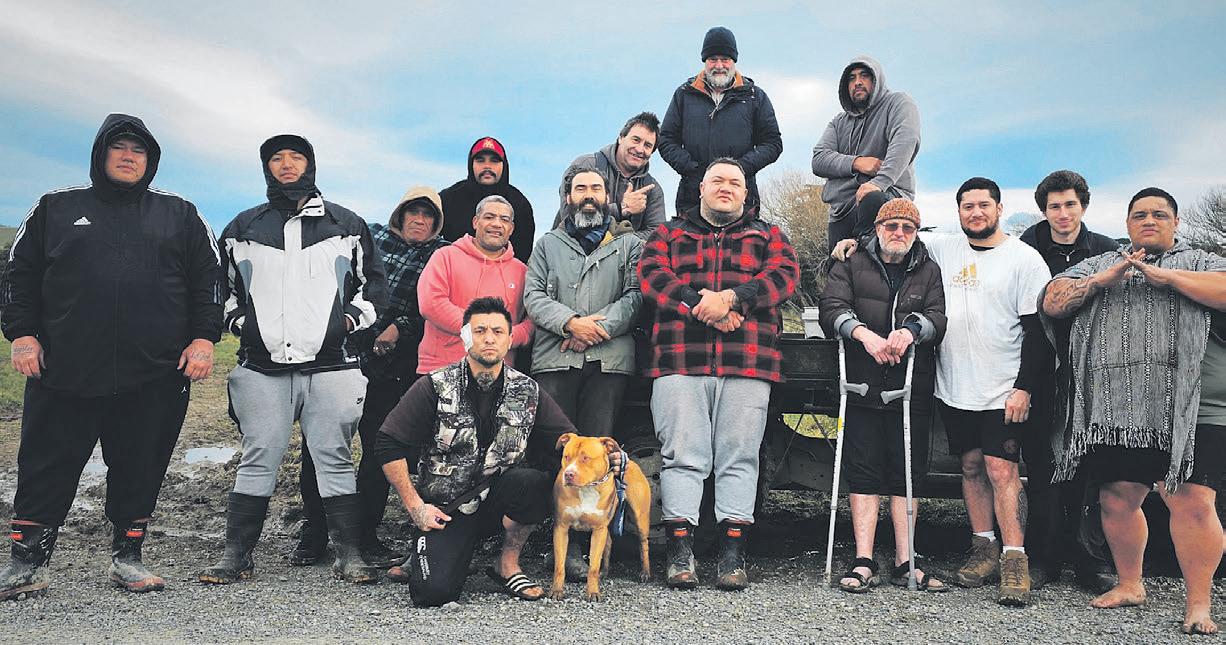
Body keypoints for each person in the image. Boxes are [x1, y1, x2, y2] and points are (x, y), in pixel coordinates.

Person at [0, 113, 222, 598]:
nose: (128, 156)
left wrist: (204, 339)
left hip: (155, 370)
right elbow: (19, 275)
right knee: (46, 462)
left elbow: (209, 281)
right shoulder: (55, 207)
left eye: (138, 150)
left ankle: (128, 558)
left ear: (151, 160)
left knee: (141, 463)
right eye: (118, 147)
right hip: (65, 366)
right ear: (100, 154)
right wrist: (22, 335)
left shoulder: (180, 213)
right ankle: (27, 564)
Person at [833, 177, 1050, 605]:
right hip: (956, 385)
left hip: (1003, 386)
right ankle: (983, 549)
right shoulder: (943, 248)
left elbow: (1038, 332)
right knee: (970, 468)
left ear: (999, 208)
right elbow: (892, 236)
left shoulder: (1024, 259)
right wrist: (851, 243)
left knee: (1002, 470)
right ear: (958, 211)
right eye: (968, 206)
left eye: (984, 205)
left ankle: (1014, 559)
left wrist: (1024, 387)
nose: (976, 213)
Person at [199, 134, 388, 585]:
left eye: (296, 157)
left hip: (333, 364)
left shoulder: (347, 225)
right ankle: (236, 555)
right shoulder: (242, 227)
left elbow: (374, 289)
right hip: (261, 367)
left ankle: (349, 555)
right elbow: (221, 292)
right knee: (258, 456)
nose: (287, 164)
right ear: (266, 167)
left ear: (311, 164)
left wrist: (346, 322)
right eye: (276, 158)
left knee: (335, 457)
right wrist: (242, 325)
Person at [1041, 187, 1226, 636]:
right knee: (1118, 498)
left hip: (1193, 406)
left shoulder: (1201, 261)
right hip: (1121, 405)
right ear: (1127, 224)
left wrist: (1170, 279)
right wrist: (1100, 282)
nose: (1149, 220)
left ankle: (1199, 604)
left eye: (1160, 214)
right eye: (1140, 214)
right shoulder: (1102, 263)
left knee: (1191, 501)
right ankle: (1129, 584)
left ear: (1176, 223)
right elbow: (1053, 300)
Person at [638, 157, 798, 591]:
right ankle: (680, 554)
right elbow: (651, 277)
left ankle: (733, 555)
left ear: (746, 193)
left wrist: (732, 299)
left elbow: (784, 277)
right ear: (701, 189)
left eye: (735, 182)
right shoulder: (669, 233)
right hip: (679, 361)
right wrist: (700, 305)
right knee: (682, 456)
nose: (726, 187)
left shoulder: (768, 234)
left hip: (747, 363)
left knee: (740, 457)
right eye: (717, 181)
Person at [374, 297, 583, 606]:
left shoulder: (528, 390)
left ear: (510, 340)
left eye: (498, 332)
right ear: (465, 337)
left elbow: (569, 442)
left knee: (537, 479)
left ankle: (507, 564)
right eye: (480, 330)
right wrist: (416, 507)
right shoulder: (435, 385)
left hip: (499, 500)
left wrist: (609, 456)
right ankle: (433, 551)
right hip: (446, 509)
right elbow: (387, 442)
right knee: (432, 594)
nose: (489, 338)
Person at [294, 187, 450, 569]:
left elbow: (430, 306)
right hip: (344, 353)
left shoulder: (440, 255)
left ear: (436, 223)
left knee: (381, 448)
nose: (419, 220)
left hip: (395, 368)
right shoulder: (371, 237)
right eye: (413, 212)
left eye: (428, 215)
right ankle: (315, 531)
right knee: (322, 444)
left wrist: (401, 327)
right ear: (400, 214)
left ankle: (365, 534)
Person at [818, 198, 948, 593]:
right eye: (892, 226)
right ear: (878, 228)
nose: (899, 233)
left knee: (906, 471)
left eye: (908, 228)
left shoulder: (927, 268)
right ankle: (864, 560)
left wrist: (910, 331)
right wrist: (865, 335)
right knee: (864, 470)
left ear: (916, 233)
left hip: (910, 384)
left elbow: (938, 317)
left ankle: (906, 561)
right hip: (861, 381)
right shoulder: (851, 262)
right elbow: (831, 308)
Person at [525, 167, 643, 580]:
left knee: (597, 453)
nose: (588, 195)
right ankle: (553, 539)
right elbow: (533, 295)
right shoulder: (547, 244)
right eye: (580, 189)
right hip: (556, 359)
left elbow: (635, 296)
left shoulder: (629, 244)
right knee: (553, 451)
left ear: (607, 196)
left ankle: (593, 543)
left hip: (608, 362)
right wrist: (570, 323)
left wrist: (594, 330)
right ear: (568, 197)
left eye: (596, 188)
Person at [1017, 170, 1119, 592]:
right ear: (1044, 211)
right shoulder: (1026, 249)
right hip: (1040, 367)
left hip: (1090, 372)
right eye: (1054, 206)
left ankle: (1088, 559)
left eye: (1070, 204)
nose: (1063, 213)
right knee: (1042, 467)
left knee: (1087, 469)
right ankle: (1042, 557)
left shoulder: (1105, 250)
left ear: (1084, 206)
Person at [657, 26, 782, 214]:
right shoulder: (684, 94)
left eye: (725, 59)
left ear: (734, 61)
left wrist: (739, 170)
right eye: (713, 59)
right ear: (704, 61)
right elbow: (666, 140)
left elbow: (772, 143)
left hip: (741, 199)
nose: (719, 65)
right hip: (692, 198)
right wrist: (692, 169)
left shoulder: (755, 97)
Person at [416, 195, 534, 375]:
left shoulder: (523, 272)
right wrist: (484, 330)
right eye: (489, 217)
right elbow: (431, 304)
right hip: (442, 369)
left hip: (498, 373)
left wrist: (510, 336)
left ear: (511, 229)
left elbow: (533, 319)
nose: (496, 224)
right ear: (475, 222)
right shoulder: (445, 256)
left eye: (504, 219)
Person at [812, 56, 921, 249]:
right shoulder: (838, 122)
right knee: (838, 265)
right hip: (842, 210)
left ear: (877, 79)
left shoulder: (898, 103)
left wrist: (879, 182)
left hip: (887, 198)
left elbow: (905, 142)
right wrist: (857, 163)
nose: (857, 82)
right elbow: (819, 159)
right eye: (851, 78)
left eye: (864, 76)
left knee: (867, 259)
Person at [550, 112, 667, 237]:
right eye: (636, 140)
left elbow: (657, 236)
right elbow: (569, 216)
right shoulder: (585, 166)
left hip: (625, 249)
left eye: (647, 145)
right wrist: (620, 209)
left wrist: (620, 244)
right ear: (621, 138)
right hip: (571, 247)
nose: (639, 149)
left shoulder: (653, 189)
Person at [439, 136, 535, 263]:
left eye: (494, 161)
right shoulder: (448, 198)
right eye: (480, 160)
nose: (487, 166)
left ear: (504, 165)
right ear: (471, 164)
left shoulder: (520, 205)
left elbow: (522, 256)